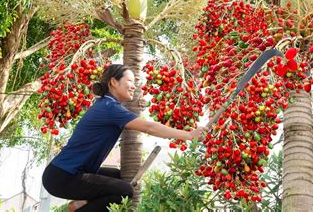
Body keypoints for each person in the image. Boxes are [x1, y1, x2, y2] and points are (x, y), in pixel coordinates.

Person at [42, 64, 207, 212]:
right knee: (124, 190)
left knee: (120, 177)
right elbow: (150, 127)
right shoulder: (109, 108)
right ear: (114, 82)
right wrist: (189, 135)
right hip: (63, 176)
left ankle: (79, 204)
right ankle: (78, 209)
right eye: (130, 81)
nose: (134, 86)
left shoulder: (106, 105)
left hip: (68, 173)